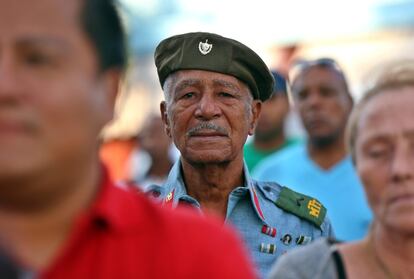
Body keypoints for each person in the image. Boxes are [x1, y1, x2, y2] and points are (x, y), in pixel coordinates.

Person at [0, 1, 258, 278]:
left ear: (109, 92)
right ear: (166, 116)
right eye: (188, 96)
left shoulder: (198, 255)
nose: (5, 86)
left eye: (38, 59)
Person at [149, 32, 334, 278]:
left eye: (225, 95)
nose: (206, 110)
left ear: (254, 116)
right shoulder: (129, 226)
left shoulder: (303, 226)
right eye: (188, 95)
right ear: (166, 118)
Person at [267, 62, 414, 279]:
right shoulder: (305, 271)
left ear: (349, 101)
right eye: (378, 152)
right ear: (358, 166)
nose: (400, 169)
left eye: (327, 93)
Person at [254, 58, 372, 241]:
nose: (314, 103)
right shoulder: (269, 175)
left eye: (326, 92)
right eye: (303, 95)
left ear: (349, 101)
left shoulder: (380, 170)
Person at [243, 70, 299, 172]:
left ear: (288, 104)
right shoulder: (236, 160)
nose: (263, 108)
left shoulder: (307, 153)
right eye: (256, 99)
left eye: (272, 99)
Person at [127, 114, 176, 190]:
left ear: (171, 137)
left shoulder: (185, 181)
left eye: (159, 132)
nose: (154, 141)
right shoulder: (135, 186)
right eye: (149, 134)